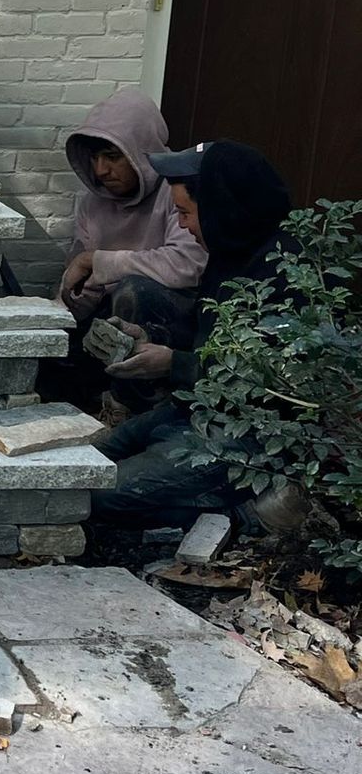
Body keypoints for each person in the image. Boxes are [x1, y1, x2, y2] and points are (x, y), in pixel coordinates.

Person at [87, 140, 295, 535]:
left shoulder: (285, 275)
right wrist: (146, 338)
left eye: (185, 213)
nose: (182, 226)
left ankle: (249, 515)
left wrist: (173, 363)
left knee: (97, 496)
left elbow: (267, 379)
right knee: (80, 465)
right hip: (193, 410)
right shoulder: (230, 252)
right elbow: (208, 337)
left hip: (248, 436)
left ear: (220, 210)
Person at [43, 91, 209, 413]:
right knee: (53, 355)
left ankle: (126, 408)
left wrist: (99, 262)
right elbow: (81, 276)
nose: (101, 170)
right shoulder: (93, 203)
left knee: (136, 290)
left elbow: (189, 264)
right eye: (94, 159)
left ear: (142, 150)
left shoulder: (177, 189)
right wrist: (76, 295)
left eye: (112, 156)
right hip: (112, 319)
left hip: (176, 321)